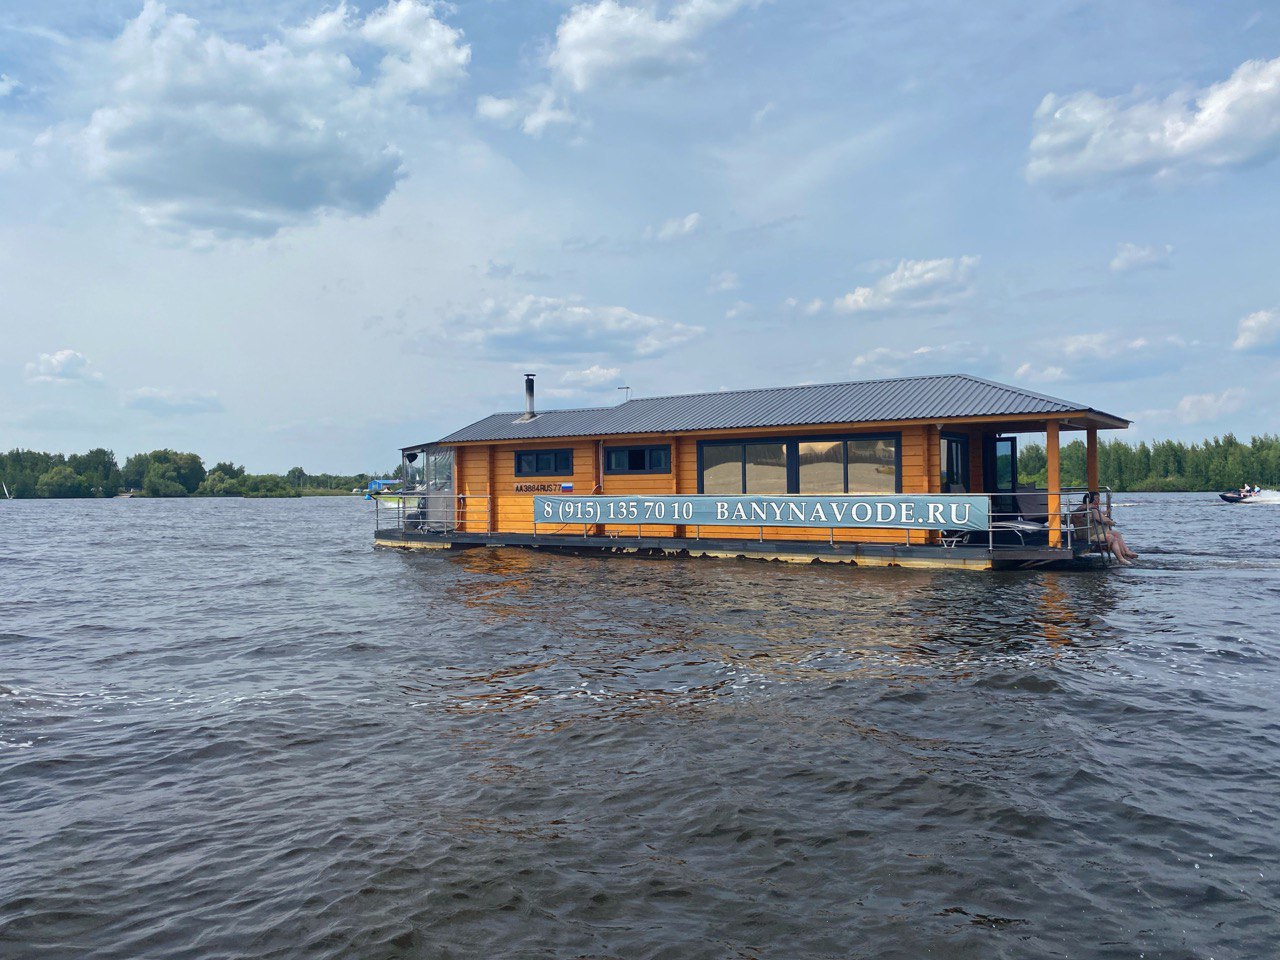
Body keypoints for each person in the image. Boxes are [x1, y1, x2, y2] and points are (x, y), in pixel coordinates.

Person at [1072, 492, 1138, 565]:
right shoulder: (1093, 509)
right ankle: (1121, 559)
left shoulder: (1080, 508)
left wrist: (1105, 513)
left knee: (1116, 533)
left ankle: (1126, 553)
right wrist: (1111, 522)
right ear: (1091, 499)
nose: (1098, 501)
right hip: (1091, 536)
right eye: (1097, 498)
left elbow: (1095, 515)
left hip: (1080, 534)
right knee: (1112, 537)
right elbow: (1103, 519)